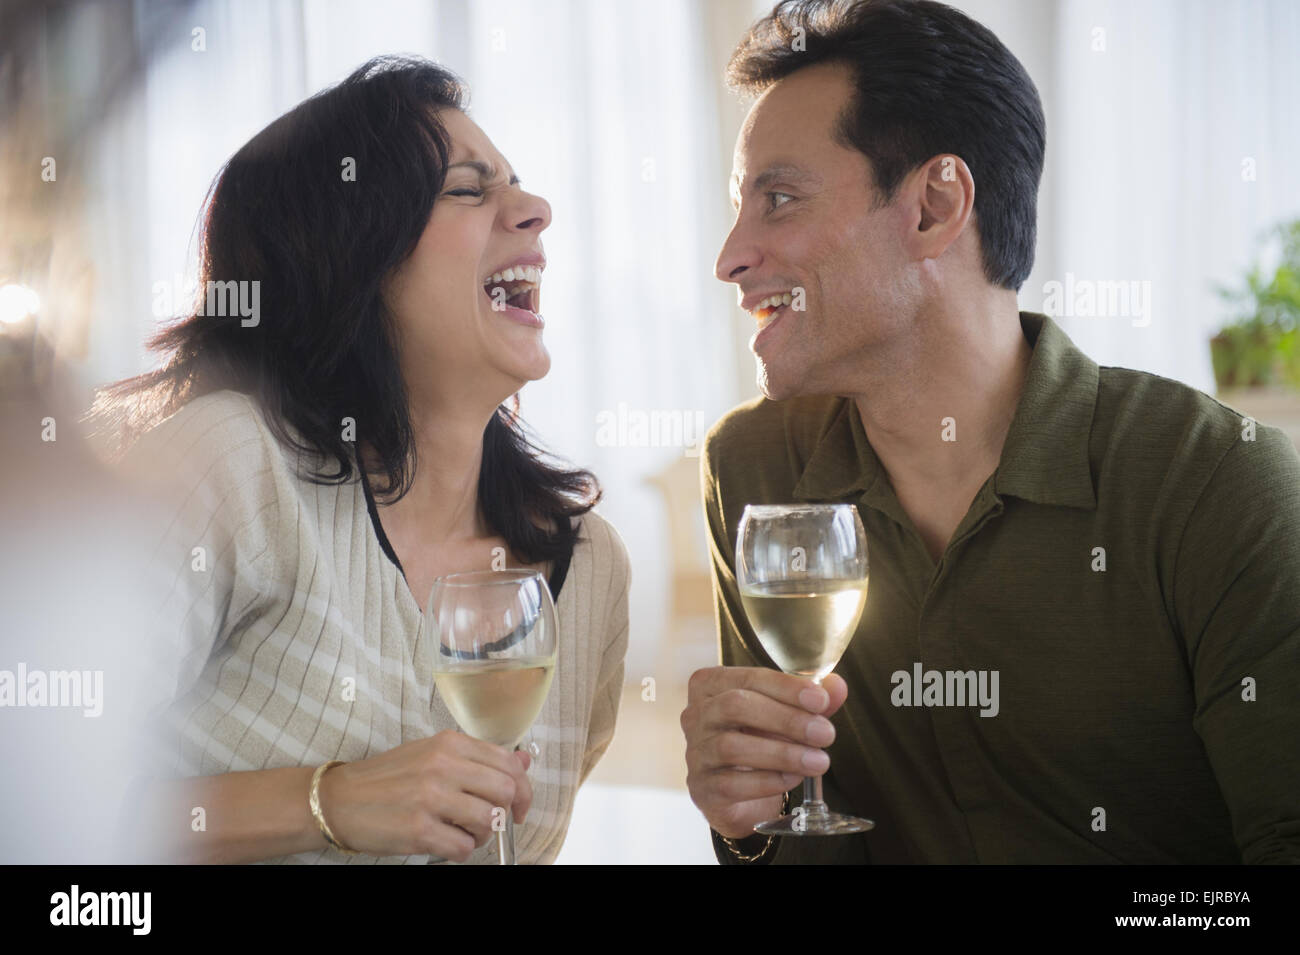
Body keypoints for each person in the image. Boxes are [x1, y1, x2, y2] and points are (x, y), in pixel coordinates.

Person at [681, 0, 1300, 864]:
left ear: (935, 206)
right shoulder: (753, 471)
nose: (731, 255)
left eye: (777, 199)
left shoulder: (1219, 485)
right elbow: (803, 843)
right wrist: (745, 821)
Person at [91, 55, 630, 864]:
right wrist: (329, 800)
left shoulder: (588, 568)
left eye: (515, 183)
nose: (536, 210)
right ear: (353, 258)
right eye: (468, 189)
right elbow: (30, 795)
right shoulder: (231, 464)